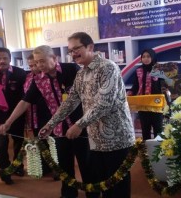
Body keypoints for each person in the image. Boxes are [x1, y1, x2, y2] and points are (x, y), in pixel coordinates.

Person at [38, 32, 135, 198]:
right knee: (102, 184)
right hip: (95, 140)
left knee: (118, 187)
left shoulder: (108, 67)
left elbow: (104, 103)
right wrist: (51, 124)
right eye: (70, 50)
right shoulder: (81, 73)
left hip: (117, 139)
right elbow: (70, 101)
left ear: (90, 47)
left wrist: (79, 125)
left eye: (76, 48)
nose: (73, 53)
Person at [0, 45, 90, 198]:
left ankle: (92, 192)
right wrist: (8, 122)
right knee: (64, 165)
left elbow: (89, 94)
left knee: (86, 163)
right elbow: (24, 102)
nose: (39, 65)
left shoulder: (71, 69)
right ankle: (68, 193)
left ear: (54, 58)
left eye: (42, 61)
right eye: (37, 62)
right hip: (59, 129)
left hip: (80, 126)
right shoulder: (38, 80)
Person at [0, 47, 27, 177]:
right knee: (1, 144)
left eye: (5, 58)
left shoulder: (20, 73)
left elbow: (25, 96)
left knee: (18, 142)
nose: (2, 61)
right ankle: (4, 168)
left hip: (16, 113)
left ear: (10, 59)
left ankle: (18, 166)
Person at [127, 48, 164, 140]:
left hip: (156, 105)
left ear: (152, 57)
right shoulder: (138, 71)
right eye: (143, 57)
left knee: (158, 130)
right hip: (143, 105)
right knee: (145, 130)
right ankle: (146, 152)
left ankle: (158, 152)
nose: (146, 59)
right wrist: (128, 94)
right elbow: (135, 87)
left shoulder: (159, 70)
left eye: (148, 56)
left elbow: (164, 86)